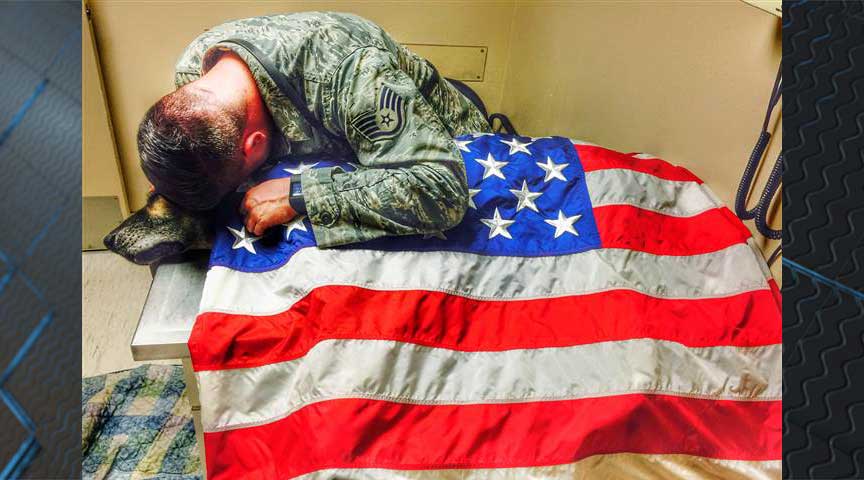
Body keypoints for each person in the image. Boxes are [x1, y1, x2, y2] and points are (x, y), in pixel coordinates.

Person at [136, 12, 491, 248]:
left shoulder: (357, 77)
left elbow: (441, 191)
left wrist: (301, 194)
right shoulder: (194, 70)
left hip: (454, 155)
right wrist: (169, 177)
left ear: (254, 144)